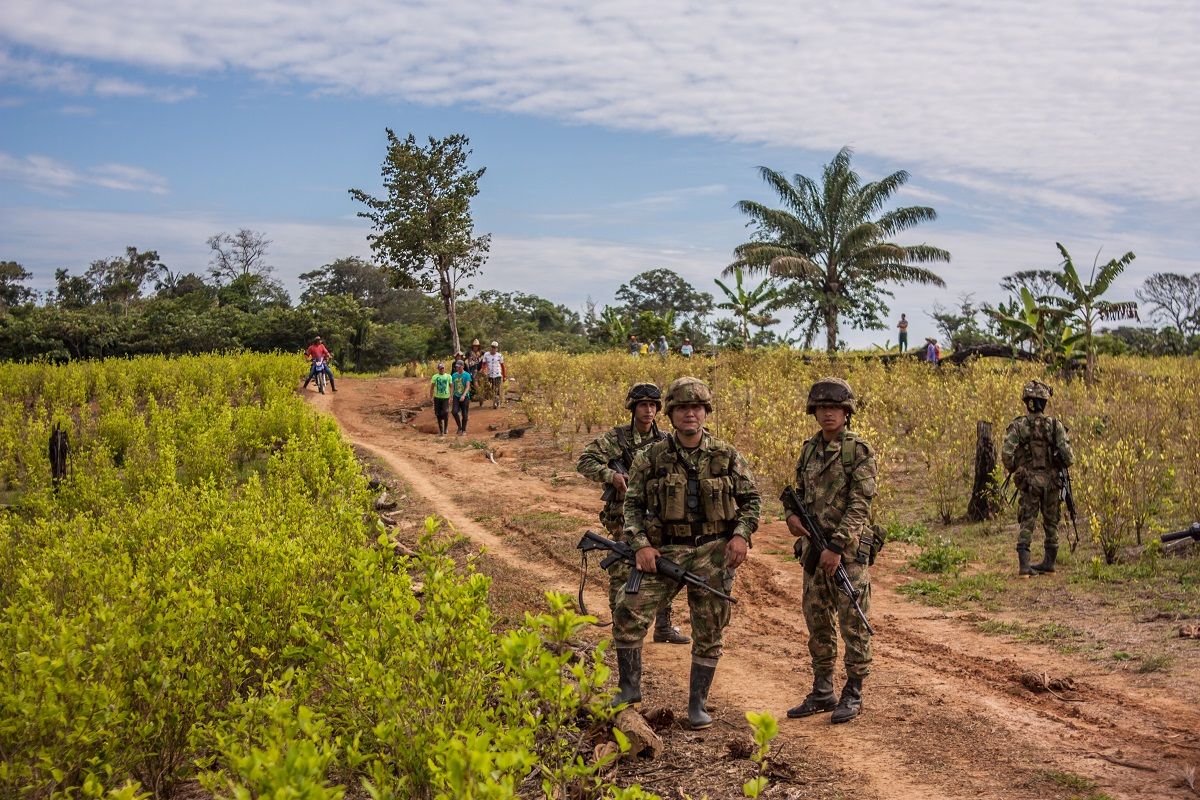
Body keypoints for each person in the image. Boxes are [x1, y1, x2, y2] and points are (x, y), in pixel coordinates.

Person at [613, 377, 761, 729]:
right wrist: (641, 546)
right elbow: (631, 507)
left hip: (713, 552)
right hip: (665, 552)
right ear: (672, 413)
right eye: (682, 408)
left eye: (696, 408)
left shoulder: (726, 455)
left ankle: (698, 704)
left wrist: (740, 536)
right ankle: (629, 689)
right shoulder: (651, 456)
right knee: (627, 609)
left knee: (710, 626)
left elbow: (752, 501)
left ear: (706, 412)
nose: (689, 414)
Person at [785, 377, 877, 725]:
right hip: (813, 552)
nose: (828, 414)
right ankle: (823, 690)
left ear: (846, 412)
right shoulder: (809, 449)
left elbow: (860, 505)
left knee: (853, 623)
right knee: (817, 623)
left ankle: (852, 691)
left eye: (834, 408)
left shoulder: (858, 451)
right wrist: (791, 516)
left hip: (846, 554)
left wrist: (837, 546)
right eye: (822, 408)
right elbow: (796, 492)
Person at [575, 383, 689, 645]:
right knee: (622, 569)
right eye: (643, 405)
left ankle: (663, 627)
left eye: (652, 405)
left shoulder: (665, 441)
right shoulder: (617, 439)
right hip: (624, 514)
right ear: (633, 408)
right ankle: (621, 627)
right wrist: (611, 476)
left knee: (664, 567)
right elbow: (585, 461)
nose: (648, 410)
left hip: (660, 517)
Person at [1001, 380, 1074, 576]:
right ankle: (1049, 564)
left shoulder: (1018, 425)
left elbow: (1006, 455)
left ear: (1027, 401)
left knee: (1027, 521)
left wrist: (1019, 468)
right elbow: (1069, 458)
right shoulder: (1055, 425)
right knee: (1051, 522)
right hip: (1052, 482)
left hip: (1029, 482)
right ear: (1044, 402)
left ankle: (1025, 566)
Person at [429, 362, 453, 436]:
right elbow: (432, 387)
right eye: (440, 368)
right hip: (437, 398)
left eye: (443, 368)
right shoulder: (435, 377)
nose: (442, 369)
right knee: (438, 414)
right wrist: (431, 397)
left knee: (445, 412)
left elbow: (451, 386)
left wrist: (451, 397)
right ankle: (441, 431)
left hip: (446, 397)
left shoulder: (448, 376)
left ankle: (445, 428)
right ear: (438, 369)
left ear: (444, 368)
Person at [450, 359, 472, 435]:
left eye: (459, 367)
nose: (457, 368)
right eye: (457, 367)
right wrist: (451, 396)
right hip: (456, 395)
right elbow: (452, 386)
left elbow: (467, 386)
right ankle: (459, 427)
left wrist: (463, 395)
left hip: (465, 397)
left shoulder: (467, 375)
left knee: (465, 414)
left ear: (462, 366)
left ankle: (464, 430)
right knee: (454, 412)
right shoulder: (454, 375)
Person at [480, 341, 505, 409]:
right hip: (489, 374)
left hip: (498, 374)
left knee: (496, 389)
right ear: (490, 347)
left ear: (497, 348)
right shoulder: (486, 354)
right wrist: (483, 370)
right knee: (490, 389)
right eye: (492, 347)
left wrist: (504, 376)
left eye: (495, 347)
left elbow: (502, 366)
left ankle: (497, 403)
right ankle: (494, 401)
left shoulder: (500, 355)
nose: (493, 348)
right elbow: (484, 364)